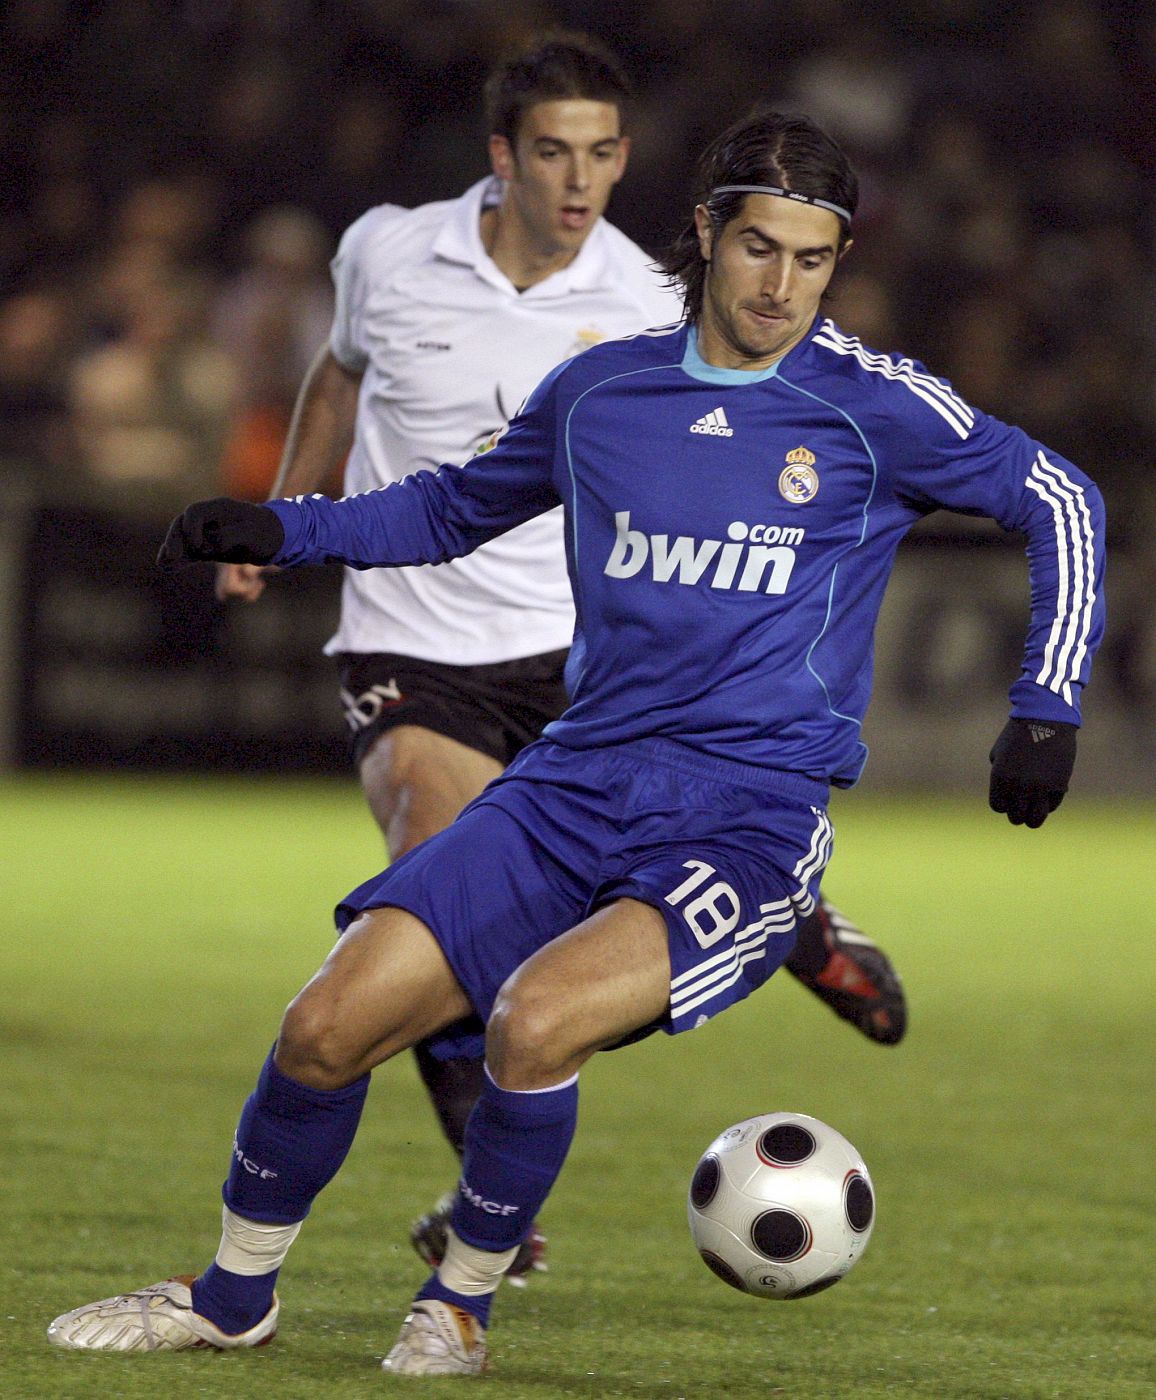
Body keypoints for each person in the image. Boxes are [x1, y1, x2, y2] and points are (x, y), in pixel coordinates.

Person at [49, 105, 1105, 1376]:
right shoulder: (605, 389)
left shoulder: (870, 406)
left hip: (746, 817)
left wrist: (1045, 705)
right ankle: (230, 1295)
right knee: (323, 1027)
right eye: (760, 248)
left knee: (534, 1023)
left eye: (814, 260)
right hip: (571, 780)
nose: (784, 287)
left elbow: (1061, 495)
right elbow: (448, 508)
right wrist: (288, 532)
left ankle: (461, 1303)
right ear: (707, 235)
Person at [212, 32, 906, 1282]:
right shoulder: (385, 247)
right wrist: (281, 510)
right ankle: (498, 1212)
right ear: (502, 155)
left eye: (601, 154)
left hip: (576, 657)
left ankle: (764, 902)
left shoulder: (652, 298)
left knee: (561, 930)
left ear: (626, 161)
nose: (578, 180)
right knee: (434, 866)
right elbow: (338, 374)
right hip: (414, 638)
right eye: (552, 151)